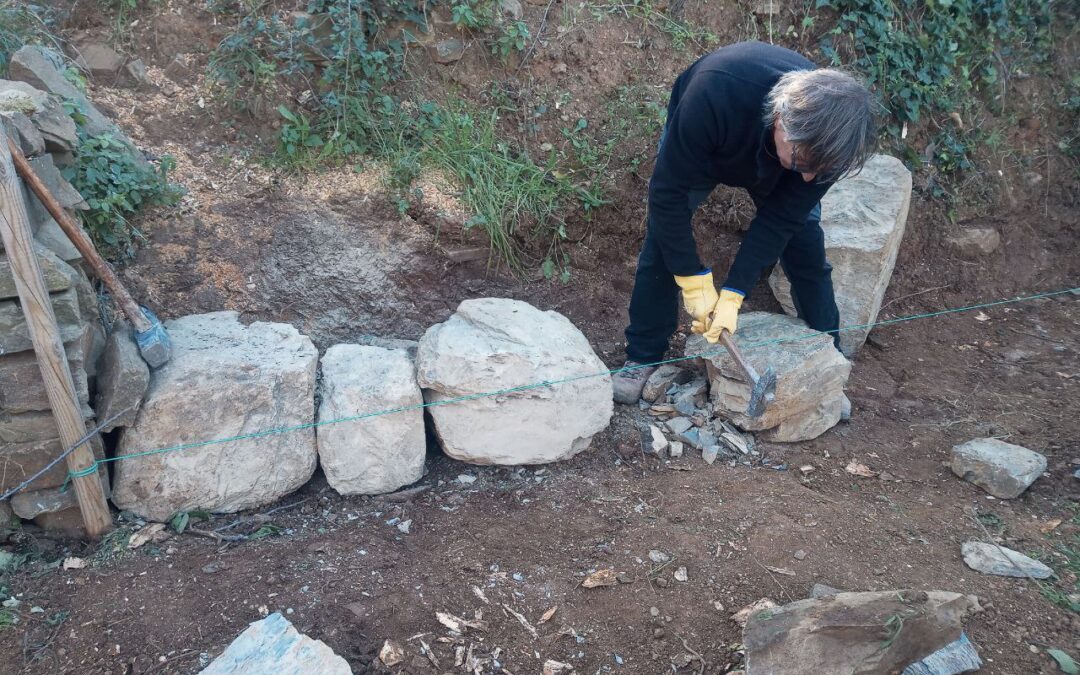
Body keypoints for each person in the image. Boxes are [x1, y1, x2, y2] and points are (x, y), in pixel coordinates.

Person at [612, 41, 876, 404]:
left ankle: (829, 359)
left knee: (806, 249)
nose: (810, 179)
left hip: (777, 154)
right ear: (783, 122)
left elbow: (780, 220)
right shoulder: (712, 93)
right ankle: (642, 354)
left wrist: (734, 291)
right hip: (712, 143)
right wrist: (692, 279)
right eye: (805, 164)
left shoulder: (830, 146)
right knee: (663, 240)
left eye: (822, 170)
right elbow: (666, 196)